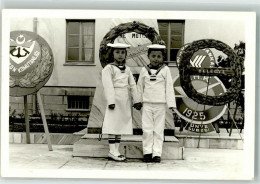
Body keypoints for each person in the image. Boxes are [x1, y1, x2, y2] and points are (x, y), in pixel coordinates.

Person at [102, 42, 142, 161]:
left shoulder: (128, 69)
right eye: (117, 52)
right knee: (112, 124)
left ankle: (116, 150)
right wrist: (111, 101)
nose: (120, 55)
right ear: (113, 54)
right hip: (114, 100)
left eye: (122, 52)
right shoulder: (109, 68)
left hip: (125, 100)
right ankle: (111, 150)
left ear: (125, 54)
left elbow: (132, 85)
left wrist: (137, 100)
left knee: (120, 125)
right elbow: (108, 85)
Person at [137, 44, 176, 163]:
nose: (156, 58)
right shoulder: (144, 70)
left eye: (159, 56)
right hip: (147, 104)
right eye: (153, 56)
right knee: (147, 129)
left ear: (163, 57)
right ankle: (147, 152)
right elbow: (140, 86)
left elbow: (169, 86)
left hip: (160, 104)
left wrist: (171, 104)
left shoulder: (165, 70)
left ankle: (157, 153)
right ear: (148, 56)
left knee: (158, 130)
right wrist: (138, 101)